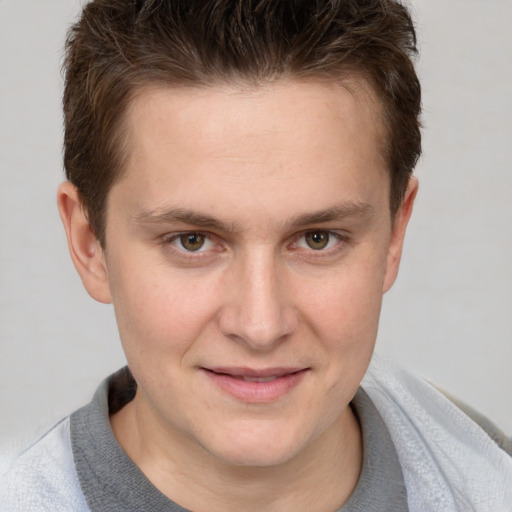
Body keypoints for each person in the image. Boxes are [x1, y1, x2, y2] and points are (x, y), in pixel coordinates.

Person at [2, 0, 511, 510]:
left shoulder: (486, 472)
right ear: (92, 245)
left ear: (394, 235)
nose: (260, 326)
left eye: (318, 238)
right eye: (192, 241)